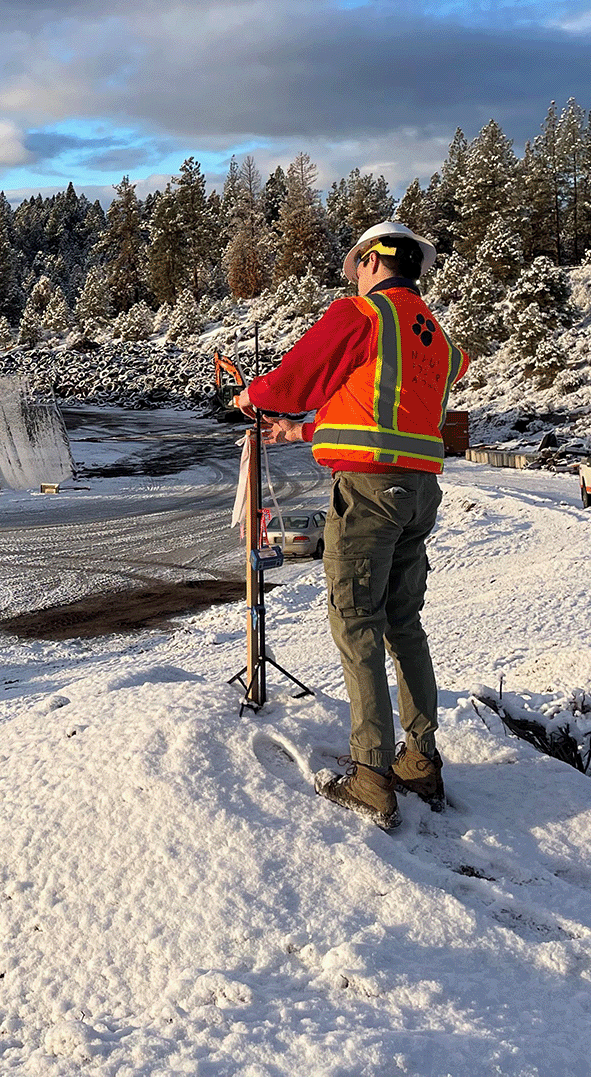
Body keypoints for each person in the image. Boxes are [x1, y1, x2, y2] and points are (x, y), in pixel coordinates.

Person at [234, 221, 469, 829]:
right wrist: (301, 431)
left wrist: (256, 400)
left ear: (371, 261)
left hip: (367, 496)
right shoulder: (436, 338)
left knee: (357, 623)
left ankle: (370, 776)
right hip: (419, 492)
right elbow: (382, 408)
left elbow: (297, 379)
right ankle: (420, 758)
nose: (353, 279)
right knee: (402, 623)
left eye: (355, 267)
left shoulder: (361, 316)